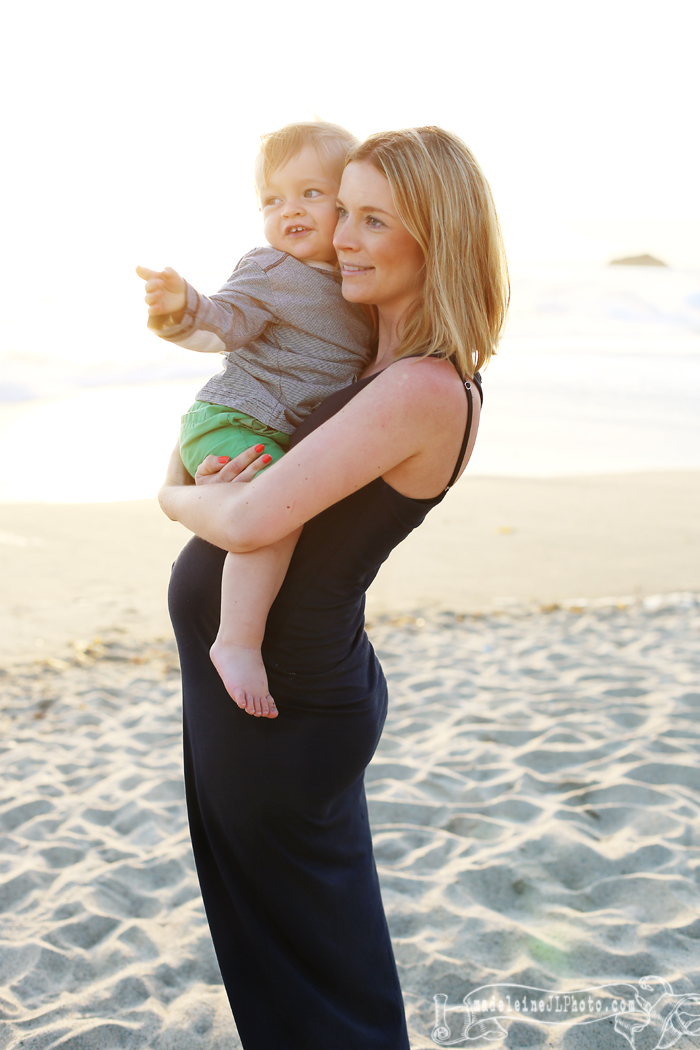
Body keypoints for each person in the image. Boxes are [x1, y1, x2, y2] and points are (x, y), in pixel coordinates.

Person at [159, 126, 509, 1050]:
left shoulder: (423, 389)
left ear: (437, 236)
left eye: (373, 220)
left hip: (287, 707)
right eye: (341, 210)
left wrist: (170, 496)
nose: (341, 237)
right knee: (283, 962)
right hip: (266, 692)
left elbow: (244, 520)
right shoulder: (353, 362)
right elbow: (231, 436)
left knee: (318, 984)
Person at [137, 121, 372, 717]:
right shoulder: (270, 269)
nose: (288, 209)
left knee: (277, 504)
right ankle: (236, 641)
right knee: (274, 508)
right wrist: (182, 307)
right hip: (233, 417)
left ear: (350, 204)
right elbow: (223, 323)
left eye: (310, 193)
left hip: (264, 430)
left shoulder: (358, 285)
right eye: (272, 199)